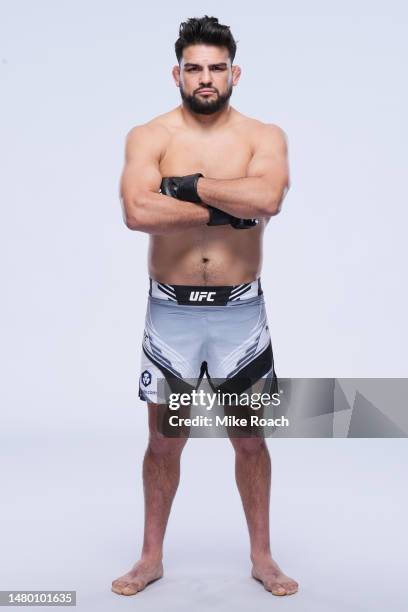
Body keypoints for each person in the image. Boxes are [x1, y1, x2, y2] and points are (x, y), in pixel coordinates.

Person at [112, 15, 298, 597]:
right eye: (195, 68)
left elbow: (267, 197)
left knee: (250, 439)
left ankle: (263, 558)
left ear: (234, 71)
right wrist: (229, 205)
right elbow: (137, 212)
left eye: (217, 67)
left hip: (241, 314)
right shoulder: (150, 136)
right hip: (170, 315)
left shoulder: (263, 135)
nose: (206, 78)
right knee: (165, 441)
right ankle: (149, 558)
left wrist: (182, 188)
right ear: (178, 73)